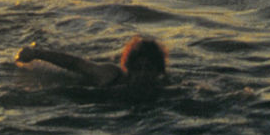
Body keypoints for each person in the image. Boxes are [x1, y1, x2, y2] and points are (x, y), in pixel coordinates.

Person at [16, 35, 168, 91]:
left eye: (148, 68)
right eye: (137, 67)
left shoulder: (163, 87)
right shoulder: (111, 75)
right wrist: (36, 54)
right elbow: (75, 63)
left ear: (158, 71)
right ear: (128, 66)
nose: (141, 74)